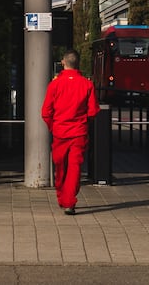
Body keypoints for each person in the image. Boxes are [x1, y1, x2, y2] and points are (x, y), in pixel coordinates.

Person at [41, 50, 100, 215]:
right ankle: (69, 200)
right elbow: (93, 111)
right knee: (74, 167)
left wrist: (53, 126)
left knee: (61, 167)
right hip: (78, 132)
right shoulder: (87, 84)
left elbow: (46, 112)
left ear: (63, 62)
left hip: (60, 131)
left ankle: (63, 197)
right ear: (78, 63)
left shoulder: (55, 84)